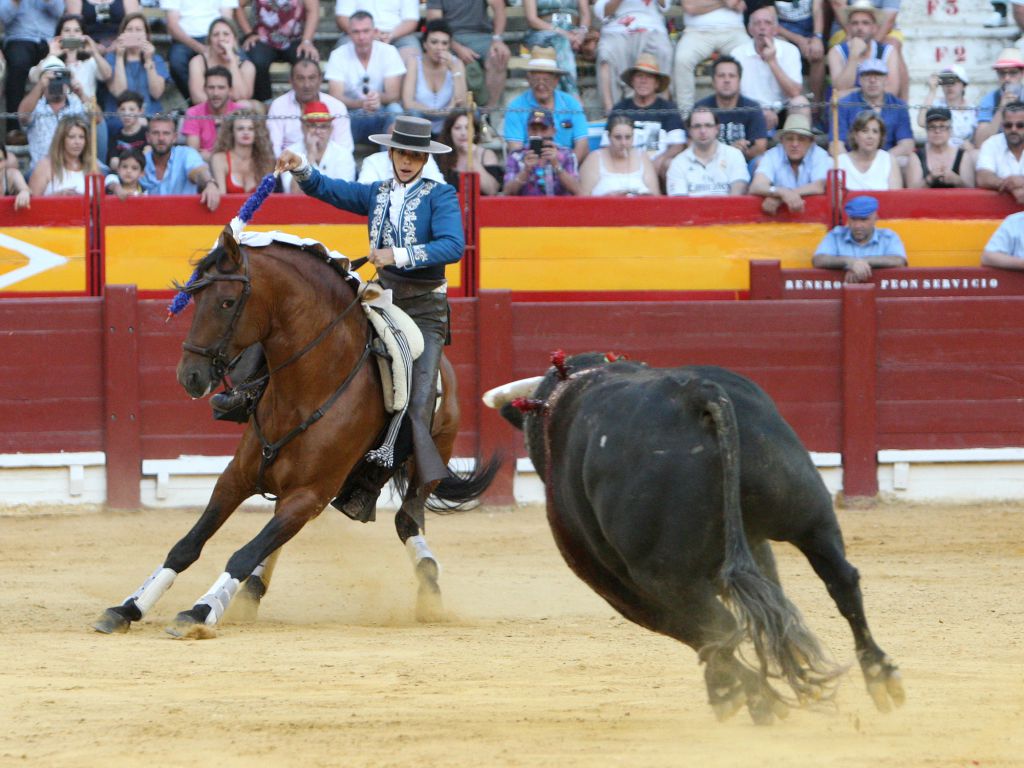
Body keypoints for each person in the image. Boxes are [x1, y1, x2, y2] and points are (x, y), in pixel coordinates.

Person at [274, 114, 465, 527]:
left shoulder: (440, 195)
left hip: (424, 309)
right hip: (381, 298)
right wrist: (301, 166)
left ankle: (369, 487)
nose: (407, 161)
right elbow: (331, 190)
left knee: (418, 402)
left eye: (415, 155)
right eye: (401, 153)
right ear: (391, 153)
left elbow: (453, 245)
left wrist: (398, 254)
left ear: (424, 159)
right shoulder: (378, 193)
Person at [324, 10, 406, 145]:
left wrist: (376, 98)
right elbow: (335, 96)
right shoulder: (338, 55)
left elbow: (394, 95)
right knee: (337, 116)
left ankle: (391, 156)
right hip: (351, 114)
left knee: (395, 110)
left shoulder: (389, 52)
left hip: (381, 112)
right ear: (349, 34)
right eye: (356, 32)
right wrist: (361, 104)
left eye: (366, 31)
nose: (361, 37)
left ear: (375, 32)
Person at [112, 113, 221, 210]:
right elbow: (115, 178)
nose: (161, 138)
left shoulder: (186, 154)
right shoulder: (140, 161)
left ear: (174, 137)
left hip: (184, 220)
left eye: (166, 133)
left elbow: (198, 172)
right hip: (149, 222)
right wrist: (116, 187)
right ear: (148, 137)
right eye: (156, 133)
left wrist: (209, 184)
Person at [607, 53, 686, 180]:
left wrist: (661, 159)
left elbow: (678, 145)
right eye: (639, 76)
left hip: (658, 167)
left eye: (649, 77)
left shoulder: (668, 108)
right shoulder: (620, 108)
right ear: (632, 81)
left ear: (656, 84)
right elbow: (607, 145)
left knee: (670, 165)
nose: (643, 81)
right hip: (625, 165)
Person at [504, 47, 589, 165]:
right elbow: (515, 149)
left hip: (567, 165)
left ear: (556, 80)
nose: (541, 85)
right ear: (528, 79)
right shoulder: (516, 107)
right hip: (530, 166)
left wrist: (567, 167)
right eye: (536, 80)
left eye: (546, 80)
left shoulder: (571, 104)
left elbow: (582, 144)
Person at [425, 0, 510, 112]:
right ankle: (451, 111)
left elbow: (499, 7)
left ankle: (488, 112)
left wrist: (497, 39)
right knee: (440, 56)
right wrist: (459, 49)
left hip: (482, 37)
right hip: (449, 39)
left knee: (501, 54)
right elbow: (435, 25)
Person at [733, 4, 805, 132]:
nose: (762, 27)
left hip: (783, 109)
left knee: (800, 102)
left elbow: (794, 92)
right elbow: (734, 94)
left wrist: (772, 61)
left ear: (776, 29)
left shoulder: (790, 50)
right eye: (757, 23)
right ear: (750, 29)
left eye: (767, 23)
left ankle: (796, 140)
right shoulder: (737, 53)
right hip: (751, 110)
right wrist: (759, 110)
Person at [592, 0, 673, 113]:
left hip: (651, 26)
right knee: (606, 54)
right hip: (616, 28)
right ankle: (610, 113)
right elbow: (602, 12)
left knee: (663, 51)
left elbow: (665, 5)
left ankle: (661, 112)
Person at [1, 0, 63, 143]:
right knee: (18, 64)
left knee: (60, 65)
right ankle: (14, 128)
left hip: (49, 41)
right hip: (19, 39)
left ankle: (62, 125)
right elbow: (2, 17)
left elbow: (59, 11)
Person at [671, 0, 749, 114]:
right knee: (682, 59)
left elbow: (739, 4)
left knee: (748, 55)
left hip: (734, 30)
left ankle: (749, 112)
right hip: (696, 32)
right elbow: (690, 7)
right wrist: (724, 2)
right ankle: (685, 115)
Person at [235, 0, 319, 102]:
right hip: (263, 38)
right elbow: (237, 5)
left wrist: (306, 41)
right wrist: (249, 34)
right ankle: (264, 103)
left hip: (295, 39)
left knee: (307, 61)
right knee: (257, 61)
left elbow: (313, 10)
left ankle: (305, 103)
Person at [267, 58, 353, 157]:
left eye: (312, 78)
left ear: (320, 79)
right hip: (289, 162)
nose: (307, 85)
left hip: (329, 162)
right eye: (300, 78)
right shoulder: (278, 106)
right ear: (291, 81)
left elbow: (344, 148)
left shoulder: (337, 107)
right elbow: (274, 149)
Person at [832, 59, 913, 161]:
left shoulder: (898, 105)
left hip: (887, 160)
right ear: (860, 80)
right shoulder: (844, 104)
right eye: (867, 76)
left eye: (878, 76)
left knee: (911, 160)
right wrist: (852, 164)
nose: (872, 80)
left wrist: (880, 161)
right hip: (852, 160)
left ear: (886, 80)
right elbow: (836, 144)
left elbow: (906, 144)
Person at [812, 194, 906, 283]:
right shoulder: (835, 236)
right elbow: (818, 260)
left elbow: (899, 261)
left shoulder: (888, 237)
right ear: (848, 219)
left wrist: (862, 262)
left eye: (864, 219)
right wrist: (849, 262)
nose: (857, 225)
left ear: (875, 218)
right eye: (853, 219)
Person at [749, 112, 830, 214]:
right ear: (782, 141)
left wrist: (783, 196)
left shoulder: (819, 155)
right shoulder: (772, 155)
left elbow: (819, 186)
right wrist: (781, 192)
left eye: (801, 139)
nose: (795, 144)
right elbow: (756, 186)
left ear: (810, 142)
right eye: (789, 139)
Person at [18, 57, 88, 173]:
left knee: (102, 171)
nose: (56, 83)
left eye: (60, 79)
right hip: (40, 170)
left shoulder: (76, 102)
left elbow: (97, 119)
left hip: (74, 167)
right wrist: (40, 86)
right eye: (51, 80)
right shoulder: (35, 104)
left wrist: (81, 94)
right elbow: (22, 116)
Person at [694, 56, 768, 166]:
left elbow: (761, 146)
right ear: (713, 81)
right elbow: (692, 144)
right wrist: (729, 152)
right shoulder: (701, 108)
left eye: (732, 76)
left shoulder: (752, 108)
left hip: (743, 164)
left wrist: (740, 152)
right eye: (721, 76)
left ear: (739, 81)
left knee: (761, 163)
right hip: (709, 165)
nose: (727, 80)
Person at [401, 19, 466, 135]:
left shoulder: (456, 64)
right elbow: (408, 103)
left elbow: (462, 103)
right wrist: (437, 113)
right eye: (434, 42)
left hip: (447, 124)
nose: (439, 47)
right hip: (421, 120)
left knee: (469, 113)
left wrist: (454, 71)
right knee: (413, 114)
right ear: (425, 44)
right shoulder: (414, 62)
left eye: (444, 43)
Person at [161, 0, 238, 99]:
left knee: (242, 59)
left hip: (216, 35)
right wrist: (201, 48)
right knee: (176, 62)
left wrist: (221, 40)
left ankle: (229, 102)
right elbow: (172, 25)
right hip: (184, 38)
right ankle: (195, 101)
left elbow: (227, 19)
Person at [666, 106, 749, 197]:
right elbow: (680, 202)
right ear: (689, 130)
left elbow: (738, 193)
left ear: (717, 128)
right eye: (697, 126)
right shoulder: (678, 163)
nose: (703, 131)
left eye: (708, 125)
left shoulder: (734, 155)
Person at [100, 12, 168, 122]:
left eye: (138, 30)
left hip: (150, 118)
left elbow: (156, 93)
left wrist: (149, 60)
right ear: (122, 34)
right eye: (129, 30)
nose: (134, 34)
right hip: (120, 120)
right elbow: (119, 92)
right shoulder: (111, 58)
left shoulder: (156, 59)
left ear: (146, 35)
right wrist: (119, 57)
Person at [28, 14, 113, 100]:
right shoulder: (52, 60)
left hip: (85, 106)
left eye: (77, 30)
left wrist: (94, 52)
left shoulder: (90, 61)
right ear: (60, 35)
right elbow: (33, 78)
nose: (72, 34)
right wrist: (50, 55)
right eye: (67, 30)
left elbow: (107, 75)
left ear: (83, 35)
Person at [826, 0, 898, 98]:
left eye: (865, 23)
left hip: (878, 107)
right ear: (849, 27)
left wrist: (856, 92)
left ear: (874, 28)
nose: (860, 28)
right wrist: (854, 56)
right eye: (855, 23)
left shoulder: (888, 51)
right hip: (848, 108)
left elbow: (892, 91)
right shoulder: (836, 52)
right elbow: (840, 90)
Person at [503, 107, 580, 197]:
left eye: (543, 129)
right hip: (527, 205)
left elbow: (577, 190)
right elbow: (507, 193)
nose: (538, 134)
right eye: (534, 129)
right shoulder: (516, 156)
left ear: (553, 131)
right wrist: (526, 171)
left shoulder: (567, 154)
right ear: (528, 131)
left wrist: (556, 165)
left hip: (559, 205)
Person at [281, 100, 356, 192]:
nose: (318, 131)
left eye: (323, 126)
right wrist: (310, 157)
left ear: (331, 129)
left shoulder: (343, 154)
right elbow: (293, 193)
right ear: (303, 127)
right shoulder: (290, 153)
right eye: (312, 126)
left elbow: (343, 193)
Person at [579, 114, 658, 197]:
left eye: (628, 137)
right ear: (608, 137)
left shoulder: (642, 157)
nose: (623, 143)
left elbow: (656, 197)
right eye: (618, 137)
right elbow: (583, 198)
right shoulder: (595, 158)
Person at [522, 0, 590, 96]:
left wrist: (581, 33)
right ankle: (572, 95)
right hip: (542, 32)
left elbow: (585, 14)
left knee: (562, 43)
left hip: (572, 32)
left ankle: (559, 98)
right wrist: (562, 32)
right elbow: (532, 19)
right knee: (561, 42)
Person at [186, 18, 256, 105]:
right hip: (208, 110)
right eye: (216, 35)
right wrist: (227, 101)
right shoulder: (198, 62)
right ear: (209, 40)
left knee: (244, 104)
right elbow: (198, 98)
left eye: (226, 34)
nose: (221, 38)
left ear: (234, 40)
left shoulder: (247, 66)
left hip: (235, 111)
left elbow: (241, 96)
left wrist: (232, 62)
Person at [435, 108, 501, 195]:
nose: (463, 133)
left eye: (468, 128)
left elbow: (492, 191)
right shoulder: (440, 155)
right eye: (457, 128)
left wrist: (472, 157)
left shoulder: (487, 155)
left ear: (475, 132)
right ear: (449, 132)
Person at [905, 108, 975, 190]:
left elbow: (972, 190)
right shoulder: (916, 156)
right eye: (932, 127)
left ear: (950, 130)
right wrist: (929, 179)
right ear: (926, 130)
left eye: (942, 126)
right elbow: (911, 192)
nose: (937, 131)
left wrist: (957, 180)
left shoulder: (963, 155)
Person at [182, 66, 242, 161]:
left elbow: (245, 153)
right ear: (205, 89)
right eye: (211, 87)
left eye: (221, 88)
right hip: (204, 166)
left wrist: (210, 156)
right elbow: (192, 154)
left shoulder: (241, 112)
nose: (215, 93)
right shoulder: (193, 113)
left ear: (230, 90)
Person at [773, 0, 825, 110]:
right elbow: (772, 22)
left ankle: (816, 106)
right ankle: (789, 103)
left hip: (810, 29)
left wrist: (817, 37)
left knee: (817, 53)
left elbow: (817, 10)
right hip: (784, 32)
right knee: (782, 50)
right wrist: (799, 40)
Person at [210, 109, 275, 194]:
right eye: (240, 129)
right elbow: (221, 195)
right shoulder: (219, 159)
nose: (246, 132)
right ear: (231, 132)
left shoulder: (266, 161)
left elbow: (268, 196)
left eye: (251, 129)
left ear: (257, 133)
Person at [29, 114, 96, 196]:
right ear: (61, 140)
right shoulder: (45, 166)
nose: (77, 142)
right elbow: (33, 201)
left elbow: (100, 200)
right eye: (71, 137)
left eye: (81, 137)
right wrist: (57, 196)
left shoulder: (93, 166)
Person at [334, 0, 421, 62]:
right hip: (360, 32)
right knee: (343, 49)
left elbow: (411, 20)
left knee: (412, 54)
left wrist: (391, 35)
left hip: (397, 34)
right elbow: (342, 18)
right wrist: (369, 34)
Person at [836, 110, 901, 191]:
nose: (870, 136)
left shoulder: (889, 160)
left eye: (875, 131)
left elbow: (895, 196)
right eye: (865, 131)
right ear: (855, 135)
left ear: (880, 137)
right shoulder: (840, 162)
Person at [916, 65, 976, 150]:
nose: (949, 86)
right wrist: (932, 90)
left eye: (953, 81)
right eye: (945, 81)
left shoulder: (973, 110)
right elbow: (921, 122)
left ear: (964, 85)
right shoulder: (937, 105)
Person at [973, 48, 1024, 146]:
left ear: (1022, 73)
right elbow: (980, 143)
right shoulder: (990, 99)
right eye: (1002, 73)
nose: (1007, 78)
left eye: (1013, 72)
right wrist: (1001, 108)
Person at [976, 100, 1024, 205]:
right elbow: (983, 177)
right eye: (1008, 125)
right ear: (1002, 126)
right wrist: (1009, 185)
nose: (1014, 129)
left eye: (1020, 125)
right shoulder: (991, 144)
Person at [65, 0, 139, 52]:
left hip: (122, 48)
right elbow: (71, 35)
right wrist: (91, 47)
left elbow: (137, 29)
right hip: (87, 49)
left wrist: (118, 43)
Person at [106, 89, 147, 168]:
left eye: (131, 110)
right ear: (118, 111)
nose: (126, 114)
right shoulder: (115, 137)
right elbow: (113, 162)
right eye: (122, 109)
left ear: (141, 111)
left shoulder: (147, 134)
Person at [0, 143, 33, 210]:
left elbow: (25, 189)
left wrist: (24, 192)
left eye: (0, 160)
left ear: (6, 161)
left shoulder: (13, 174)